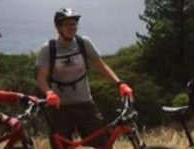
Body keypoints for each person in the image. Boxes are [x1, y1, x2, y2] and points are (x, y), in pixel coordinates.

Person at [36, 8, 133, 148]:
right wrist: (49, 93)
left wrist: (120, 83)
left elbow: (102, 67)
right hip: (59, 108)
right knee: (61, 146)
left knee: (103, 144)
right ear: (58, 27)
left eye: (74, 24)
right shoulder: (48, 49)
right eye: (67, 24)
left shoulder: (83, 43)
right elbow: (41, 79)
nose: (72, 27)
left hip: (85, 103)